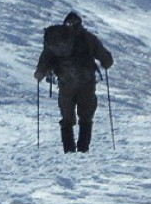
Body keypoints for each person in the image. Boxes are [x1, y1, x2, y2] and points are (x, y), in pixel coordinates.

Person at [34, 11, 113, 153]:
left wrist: (40, 73)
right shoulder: (88, 38)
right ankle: (83, 149)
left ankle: (69, 150)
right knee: (86, 116)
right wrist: (106, 62)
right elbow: (105, 58)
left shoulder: (57, 40)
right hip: (87, 83)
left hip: (66, 83)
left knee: (67, 118)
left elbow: (46, 58)